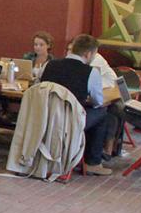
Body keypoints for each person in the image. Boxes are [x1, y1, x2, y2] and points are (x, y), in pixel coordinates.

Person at [39, 34, 114, 175]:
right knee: (102, 113)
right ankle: (93, 162)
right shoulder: (91, 72)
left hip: (46, 118)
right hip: (70, 122)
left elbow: (39, 88)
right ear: (89, 53)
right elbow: (98, 102)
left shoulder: (50, 65)